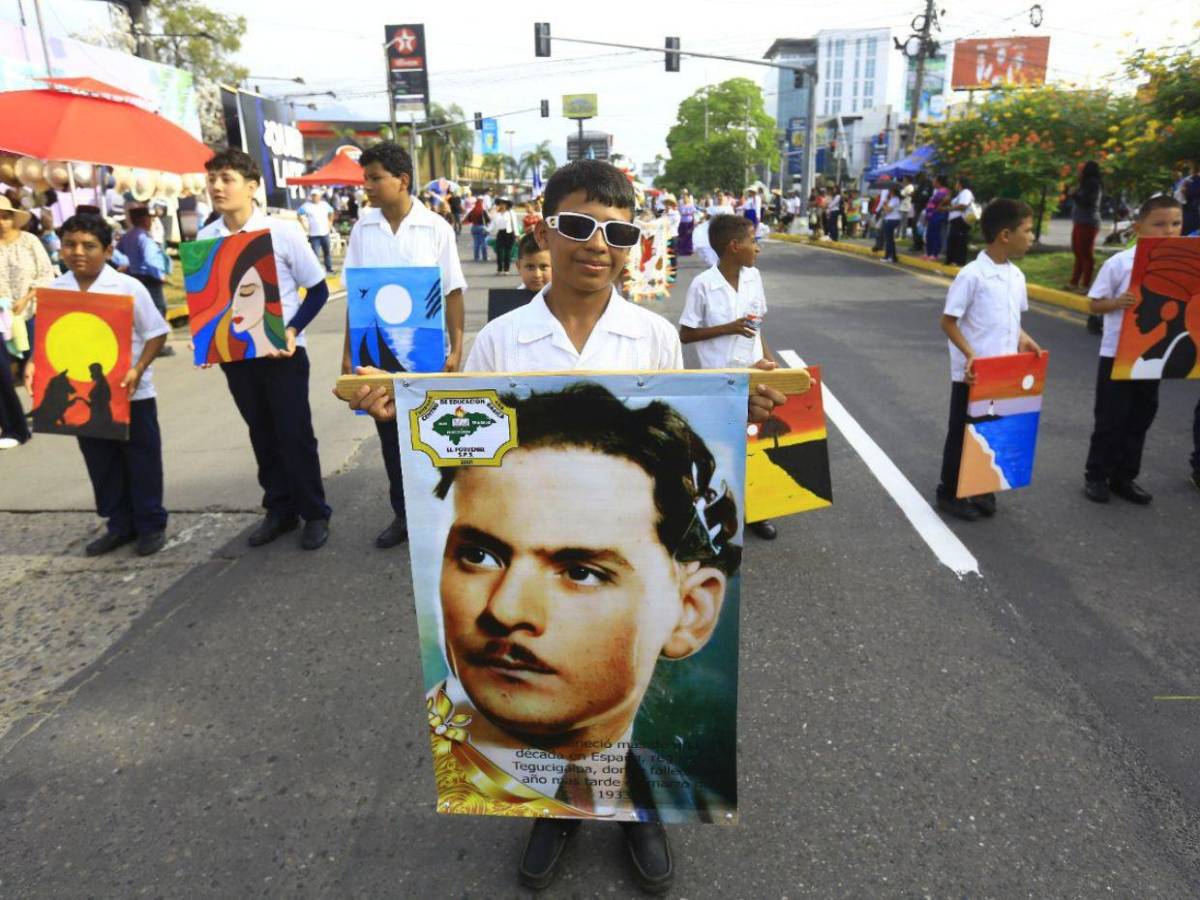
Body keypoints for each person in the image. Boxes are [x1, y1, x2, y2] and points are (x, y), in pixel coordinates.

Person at [344, 158, 785, 894]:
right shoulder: (502, 342)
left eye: (617, 231)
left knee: (603, 714)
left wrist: (732, 414)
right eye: (579, 226)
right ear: (544, 227)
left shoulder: (651, 338)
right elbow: (464, 442)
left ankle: (633, 813)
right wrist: (402, 408)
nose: (597, 245)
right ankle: (551, 806)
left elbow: (679, 440)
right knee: (544, 734)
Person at [199, 148, 333, 551]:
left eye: (227, 179)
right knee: (261, 432)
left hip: (284, 354)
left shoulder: (282, 232)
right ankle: (279, 509)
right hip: (238, 356)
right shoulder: (207, 238)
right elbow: (210, 298)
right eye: (212, 180)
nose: (217, 187)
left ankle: (314, 512)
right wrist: (207, 338)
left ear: (252, 186)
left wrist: (291, 330)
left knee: (294, 434)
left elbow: (319, 290)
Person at [339, 141, 467, 549]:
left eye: (375, 178)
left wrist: (457, 347)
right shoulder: (363, 228)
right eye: (366, 179)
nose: (368, 187)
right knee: (389, 435)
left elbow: (453, 291)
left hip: (425, 354)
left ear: (402, 180)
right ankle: (403, 515)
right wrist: (347, 352)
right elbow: (356, 295)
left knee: (434, 433)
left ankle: (442, 515)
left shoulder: (436, 228)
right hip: (376, 354)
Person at [28, 213, 169, 554]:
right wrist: (34, 363)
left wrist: (138, 368)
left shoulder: (126, 286)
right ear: (60, 249)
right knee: (101, 462)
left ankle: (150, 524)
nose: (79, 252)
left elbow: (156, 333)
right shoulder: (55, 289)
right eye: (70, 244)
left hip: (129, 393)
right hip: (79, 395)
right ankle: (119, 525)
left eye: (89, 246)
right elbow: (48, 339)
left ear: (107, 251)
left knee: (141, 459)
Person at [936, 198, 1043, 521]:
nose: (1032, 237)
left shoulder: (1016, 276)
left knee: (993, 430)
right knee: (964, 432)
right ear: (1005, 235)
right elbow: (948, 321)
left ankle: (981, 486)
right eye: (1028, 230)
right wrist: (970, 356)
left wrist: (1024, 340)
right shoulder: (973, 275)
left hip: (1004, 371)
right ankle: (950, 491)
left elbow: (1010, 320)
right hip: (975, 374)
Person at [678, 213, 779, 541]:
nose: (757, 249)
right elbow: (687, 334)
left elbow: (757, 324)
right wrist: (728, 328)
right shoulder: (703, 284)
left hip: (753, 376)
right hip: (719, 380)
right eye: (753, 242)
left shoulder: (754, 278)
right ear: (734, 246)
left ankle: (757, 512)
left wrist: (766, 356)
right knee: (720, 451)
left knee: (754, 445)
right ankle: (716, 517)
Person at [1082, 195, 1184, 505]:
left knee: (1141, 416)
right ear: (1139, 227)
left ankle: (1124, 476)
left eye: (1176, 224)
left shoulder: (1183, 262)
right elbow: (1094, 303)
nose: (1169, 231)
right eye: (1160, 224)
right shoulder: (1120, 263)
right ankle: (1097, 475)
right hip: (1118, 354)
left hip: (1154, 354)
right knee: (1112, 418)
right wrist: (1117, 303)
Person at [0, 194, 55, 444]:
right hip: (3, 317)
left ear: (13, 218)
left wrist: (27, 296)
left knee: (38, 361)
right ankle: (11, 421)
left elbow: (45, 273)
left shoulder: (29, 241)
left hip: (31, 310)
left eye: (5, 216)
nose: (2, 222)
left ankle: (45, 405)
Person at [117, 208, 175, 359]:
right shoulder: (143, 238)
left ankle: (144, 343)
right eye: (149, 218)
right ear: (143, 220)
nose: (151, 221)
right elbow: (150, 260)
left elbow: (118, 254)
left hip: (133, 275)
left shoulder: (127, 236)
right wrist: (159, 275)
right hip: (148, 277)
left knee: (141, 310)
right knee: (157, 309)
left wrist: (126, 265)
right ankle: (157, 346)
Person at [298, 189, 335, 273]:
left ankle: (329, 269)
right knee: (315, 254)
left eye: (316, 195)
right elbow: (299, 214)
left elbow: (331, 212)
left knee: (327, 252)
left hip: (324, 232)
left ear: (319, 196)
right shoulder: (306, 206)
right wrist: (303, 224)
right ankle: (316, 271)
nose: (315, 197)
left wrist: (330, 222)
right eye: (313, 195)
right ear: (311, 196)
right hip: (313, 234)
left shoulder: (324, 205)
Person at [945, 176, 975, 267]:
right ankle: (951, 260)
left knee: (960, 241)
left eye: (957, 182)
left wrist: (950, 208)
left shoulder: (966, 192)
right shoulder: (960, 194)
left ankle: (958, 261)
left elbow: (963, 205)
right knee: (953, 240)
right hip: (955, 220)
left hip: (961, 220)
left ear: (960, 184)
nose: (955, 184)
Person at [488, 198, 518, 275]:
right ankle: (499, 269)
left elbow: (514, 224)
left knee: (508, 252)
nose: (502, 205)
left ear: (507, 205)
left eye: (504, 203)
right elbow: (493, 224)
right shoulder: (497, 214)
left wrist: (517, 234)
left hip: (509, 233)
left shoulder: (511, 213)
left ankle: (506, 269)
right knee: (499, 251)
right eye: (501, 203)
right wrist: (487, 230)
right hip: (500, 233)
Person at [923, 176, 950, 261]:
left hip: (937, 215)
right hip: (931, 215)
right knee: (929, 234)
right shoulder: (936, 191)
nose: (933, 183)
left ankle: (934, 253)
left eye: (934, 181)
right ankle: (929, 253)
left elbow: (939, 201)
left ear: (938, 182)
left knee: (935, 234)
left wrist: (940, 204)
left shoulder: (944, 191)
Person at [464, 192, 490, 262]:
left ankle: (476, 258)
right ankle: (485, 257)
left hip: (474, 227)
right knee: (484, 243)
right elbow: (488, 220)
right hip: (482, 227)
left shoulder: (472, 211)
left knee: (476, 243)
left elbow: (468, 219)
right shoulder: (483, 211)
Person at [881, 191, 902, 263]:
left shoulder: (894, 199)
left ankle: (890, 256)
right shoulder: (893, 199)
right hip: (891, 219)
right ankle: (891, 256)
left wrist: (884, 205)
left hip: (891, 220)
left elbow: (888, 210)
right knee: (889, 239)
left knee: (889, 239)